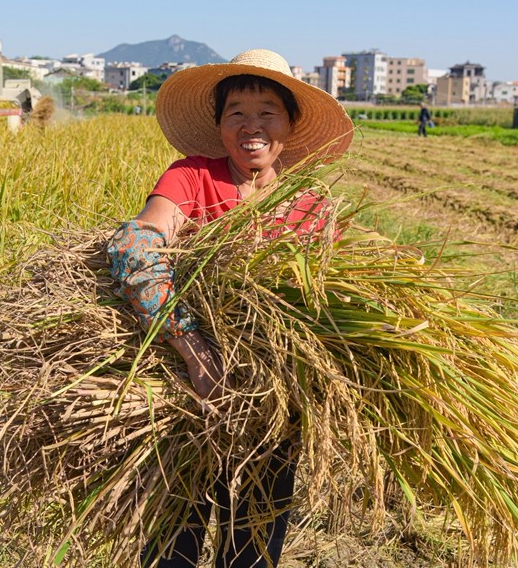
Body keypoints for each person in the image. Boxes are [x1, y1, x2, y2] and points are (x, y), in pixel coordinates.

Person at [106, 49, 353, 567]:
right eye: (235, 112)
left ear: (289, 123)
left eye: (267, 111)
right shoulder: (192, 178)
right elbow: (135, 244)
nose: (251, 126)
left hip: (274, 409)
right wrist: (192, 347)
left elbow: (332, 304)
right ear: (219, 125)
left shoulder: (313, 207)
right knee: (174, 548)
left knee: (253, 553)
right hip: (185, 402)